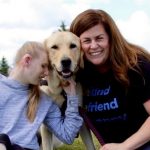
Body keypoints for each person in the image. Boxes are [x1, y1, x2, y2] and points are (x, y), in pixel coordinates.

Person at [70, 9, 150, 150]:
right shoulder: (81, 74)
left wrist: (125, 146)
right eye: (86, 41)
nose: (93, 46)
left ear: (111, 38)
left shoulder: (136, 65)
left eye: (99, 38)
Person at [0, 41, 83, 150]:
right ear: (27, 60)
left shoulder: (44, 101)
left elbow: (68, 135)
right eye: (43, 66)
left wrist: (72, 96)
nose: (47, 73)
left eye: (48, 68)